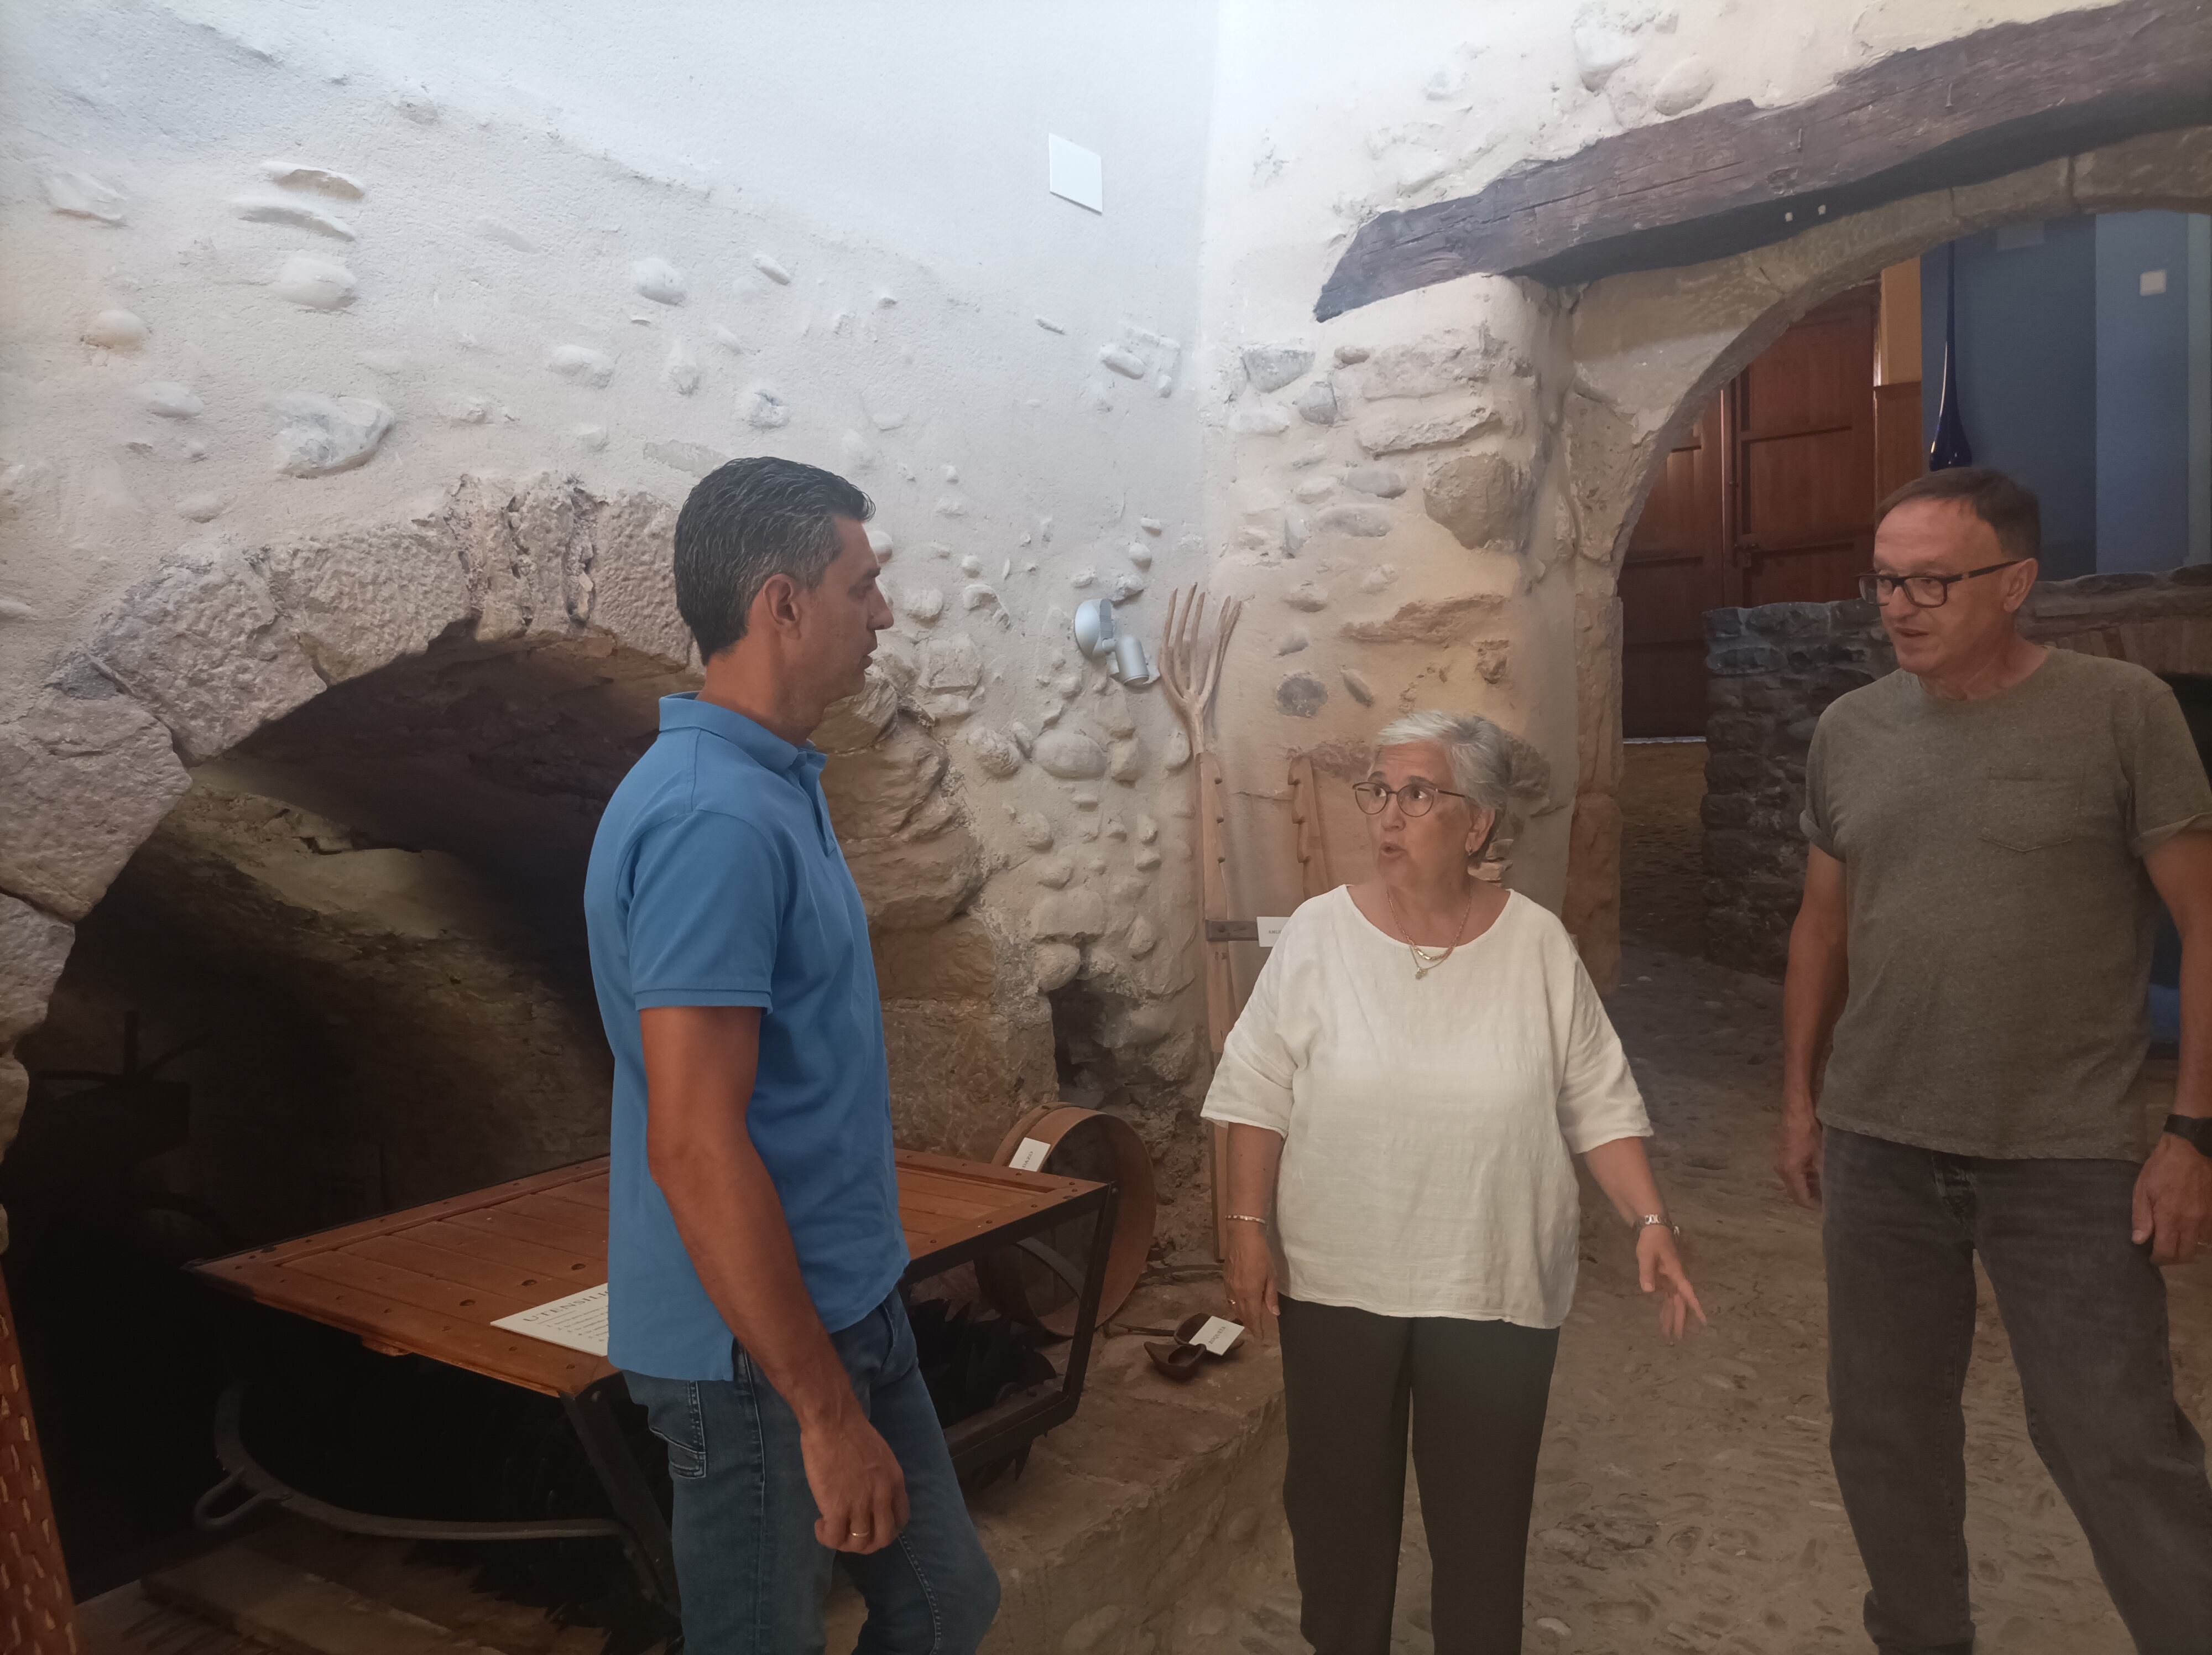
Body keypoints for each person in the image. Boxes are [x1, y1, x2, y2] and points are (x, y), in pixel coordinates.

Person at [1777, 466, 2212, 1654]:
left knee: (2114, 1439)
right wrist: (1798, 1102)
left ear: (2014, 583)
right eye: (1884, 580)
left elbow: (2201, 913)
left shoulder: (2120, 709)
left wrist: (2189, 1131)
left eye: (1931, 579)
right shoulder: (1848, 729)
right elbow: (1820, 923)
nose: (1899, 604)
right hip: (1878, 1143)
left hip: (2062, 1152)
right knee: (1880, 1428)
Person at [583, 457, 999, 1653]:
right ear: (782, 604)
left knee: (942, 1599)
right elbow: (693, 1140)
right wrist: (821, 1409)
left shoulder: (770, 783)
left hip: (844, 1302)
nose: (882, 613)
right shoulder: (711, 818)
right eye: (862, 584)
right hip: (755, 1356)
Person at [1202, 710, 1706, 1655]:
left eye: (1418, 794)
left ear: (1476, 825)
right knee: (1338, 1516)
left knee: (1483, 1528)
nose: (1388, 815)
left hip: (1492, 1279)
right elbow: (1256, 1088)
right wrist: (1246, 1226)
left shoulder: (1537, 946)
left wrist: (1649, 1219)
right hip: (1341, 1276)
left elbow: (1596, 1096)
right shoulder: (1318, 935)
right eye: (1379, 791)